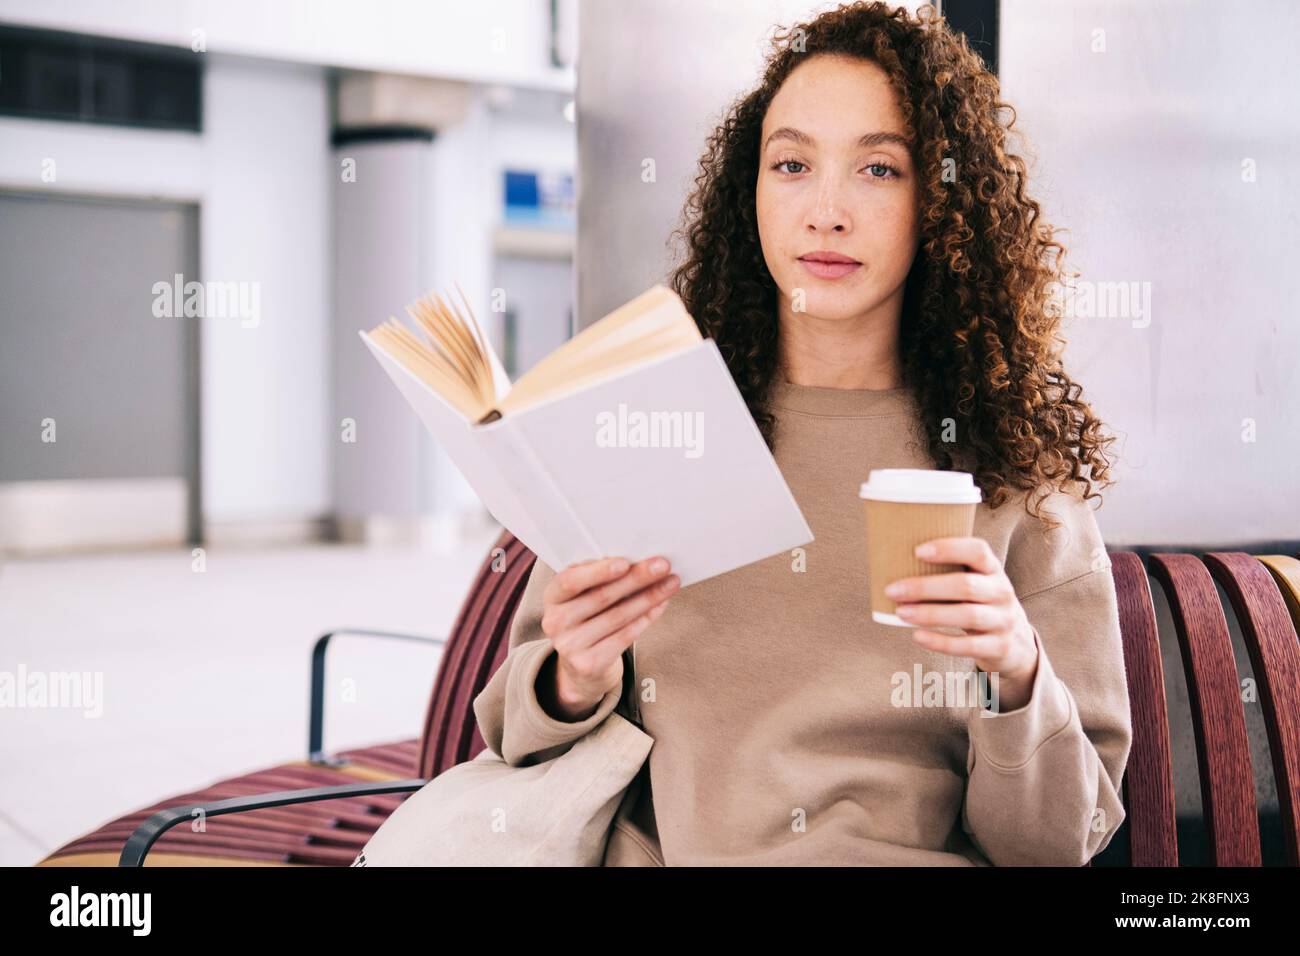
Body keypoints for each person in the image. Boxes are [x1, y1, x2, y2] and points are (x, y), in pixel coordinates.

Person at [474, 0, 1132, 866]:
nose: (826, 211)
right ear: (750, 190)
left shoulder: (1016, 478)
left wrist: (1015, 673)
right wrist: (574, 676)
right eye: (791, 165)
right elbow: (516, 740)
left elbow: (1057, 842)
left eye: (879, 171)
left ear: (940, 200)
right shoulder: (654, 427)